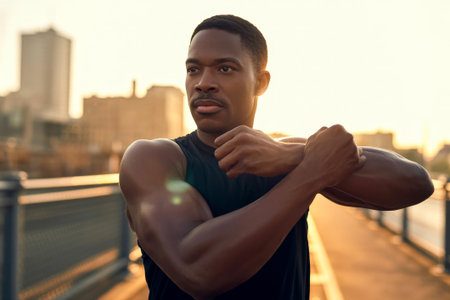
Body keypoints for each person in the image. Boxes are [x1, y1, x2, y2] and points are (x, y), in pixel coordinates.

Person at [119, 15, 434, 300]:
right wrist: (310, 172)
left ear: (261, 82)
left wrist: (292, 155)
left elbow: (416, 184)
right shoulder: (154, 158)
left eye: (224, 68)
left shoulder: (286, 154)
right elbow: (198, 270)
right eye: (193, 69)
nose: (203, 82)